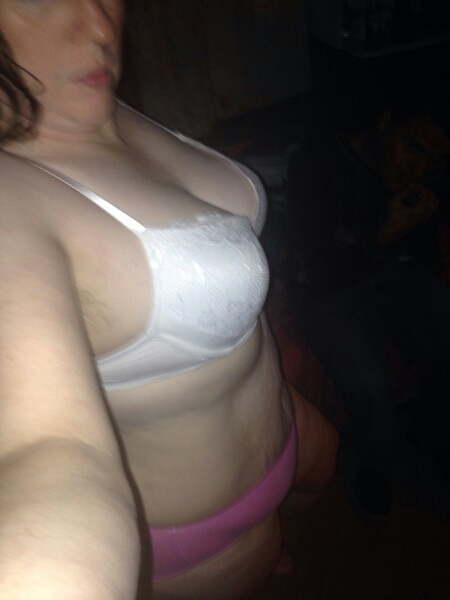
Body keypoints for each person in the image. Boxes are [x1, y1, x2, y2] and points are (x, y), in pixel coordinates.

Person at [0, 2, 339, 599]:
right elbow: (46, 451)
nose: (101, 26)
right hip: (196, 539)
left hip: (290, 427)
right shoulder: (11, 202)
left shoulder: (91, 102)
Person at [287, 90, 450, 518]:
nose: (419, 167)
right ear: (386, 121)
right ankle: (377, 467)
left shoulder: (426, 173)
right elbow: (316, 271)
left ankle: (432, 433)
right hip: (324, 288)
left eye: (435, 161)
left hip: (392, 271)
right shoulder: (315, 164)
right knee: (372, 384)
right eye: (412, 147)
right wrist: (387, 231)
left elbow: (420, 257)